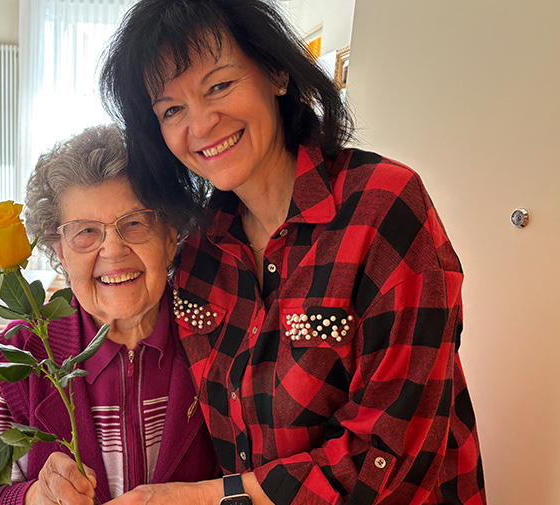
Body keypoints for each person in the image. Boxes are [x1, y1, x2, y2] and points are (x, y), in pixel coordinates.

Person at [94, 1, 487, 504]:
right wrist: (23, 360)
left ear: (276, 72)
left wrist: (208, 497)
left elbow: (393, 452)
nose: (201, 124)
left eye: (219, 85)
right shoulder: (198, 251)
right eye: (172, 109)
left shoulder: (382, 207)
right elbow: (140, 337)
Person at [0, 124, 221, 505]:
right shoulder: (22, 361)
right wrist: (34, 497)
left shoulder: (222, 338)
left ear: (170, 236)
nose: (112, 251)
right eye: (85, 231)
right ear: (61, 252)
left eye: (135, 222)